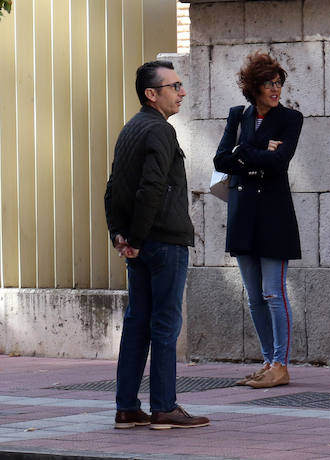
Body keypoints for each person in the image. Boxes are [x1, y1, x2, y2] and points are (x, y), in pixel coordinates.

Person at [105, 60, 209, 431]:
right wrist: (132, 237)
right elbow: (151, 188)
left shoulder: (130, 129)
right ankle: (164, 407)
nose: (181, 92)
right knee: (164, 325)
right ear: (152, 94)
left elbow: (113, 187)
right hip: (163, 242)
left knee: (137, 324)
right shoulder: (161, 132)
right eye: (174, 86)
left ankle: (127, 408)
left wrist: (120, 235)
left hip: (140, 243)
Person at [214, 51, 303, 389]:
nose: (275, 89)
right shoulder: (238, 116)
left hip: (273, 215)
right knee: (253, 295)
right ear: (254, 87)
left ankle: (281, 363)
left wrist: (247, 155)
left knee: (273, 293)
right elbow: (221, 159)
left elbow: (280, 162)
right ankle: (267, 361)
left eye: (278, 83)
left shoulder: (291, 119)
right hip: (242, 213)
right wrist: (260, 152)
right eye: (269, 83)